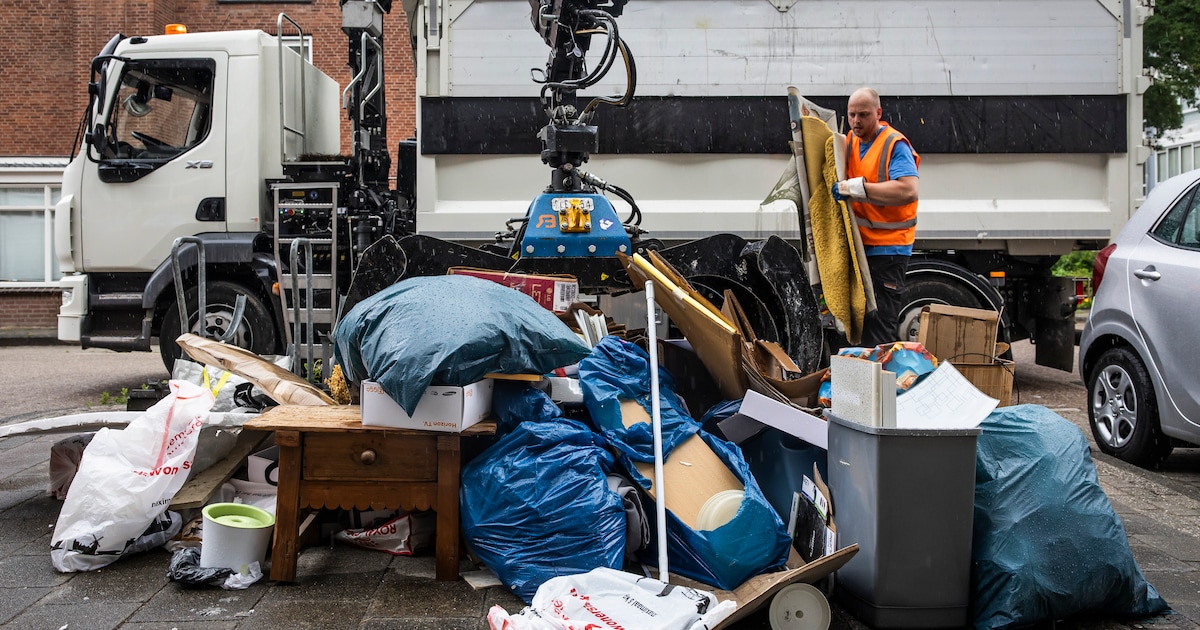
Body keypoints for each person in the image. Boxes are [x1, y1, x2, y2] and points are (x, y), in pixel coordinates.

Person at [831, 87, 920, 348]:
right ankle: (861, 385)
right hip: (862, 249)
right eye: (852, 115)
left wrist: (856, 189)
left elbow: (908, 189)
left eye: (864, 115)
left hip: (888, 251)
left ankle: (880, 386)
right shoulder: (850, 141)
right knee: (858, 328)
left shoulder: (894, 143)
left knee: (879, 330)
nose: (856, 121)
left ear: (879, 113)